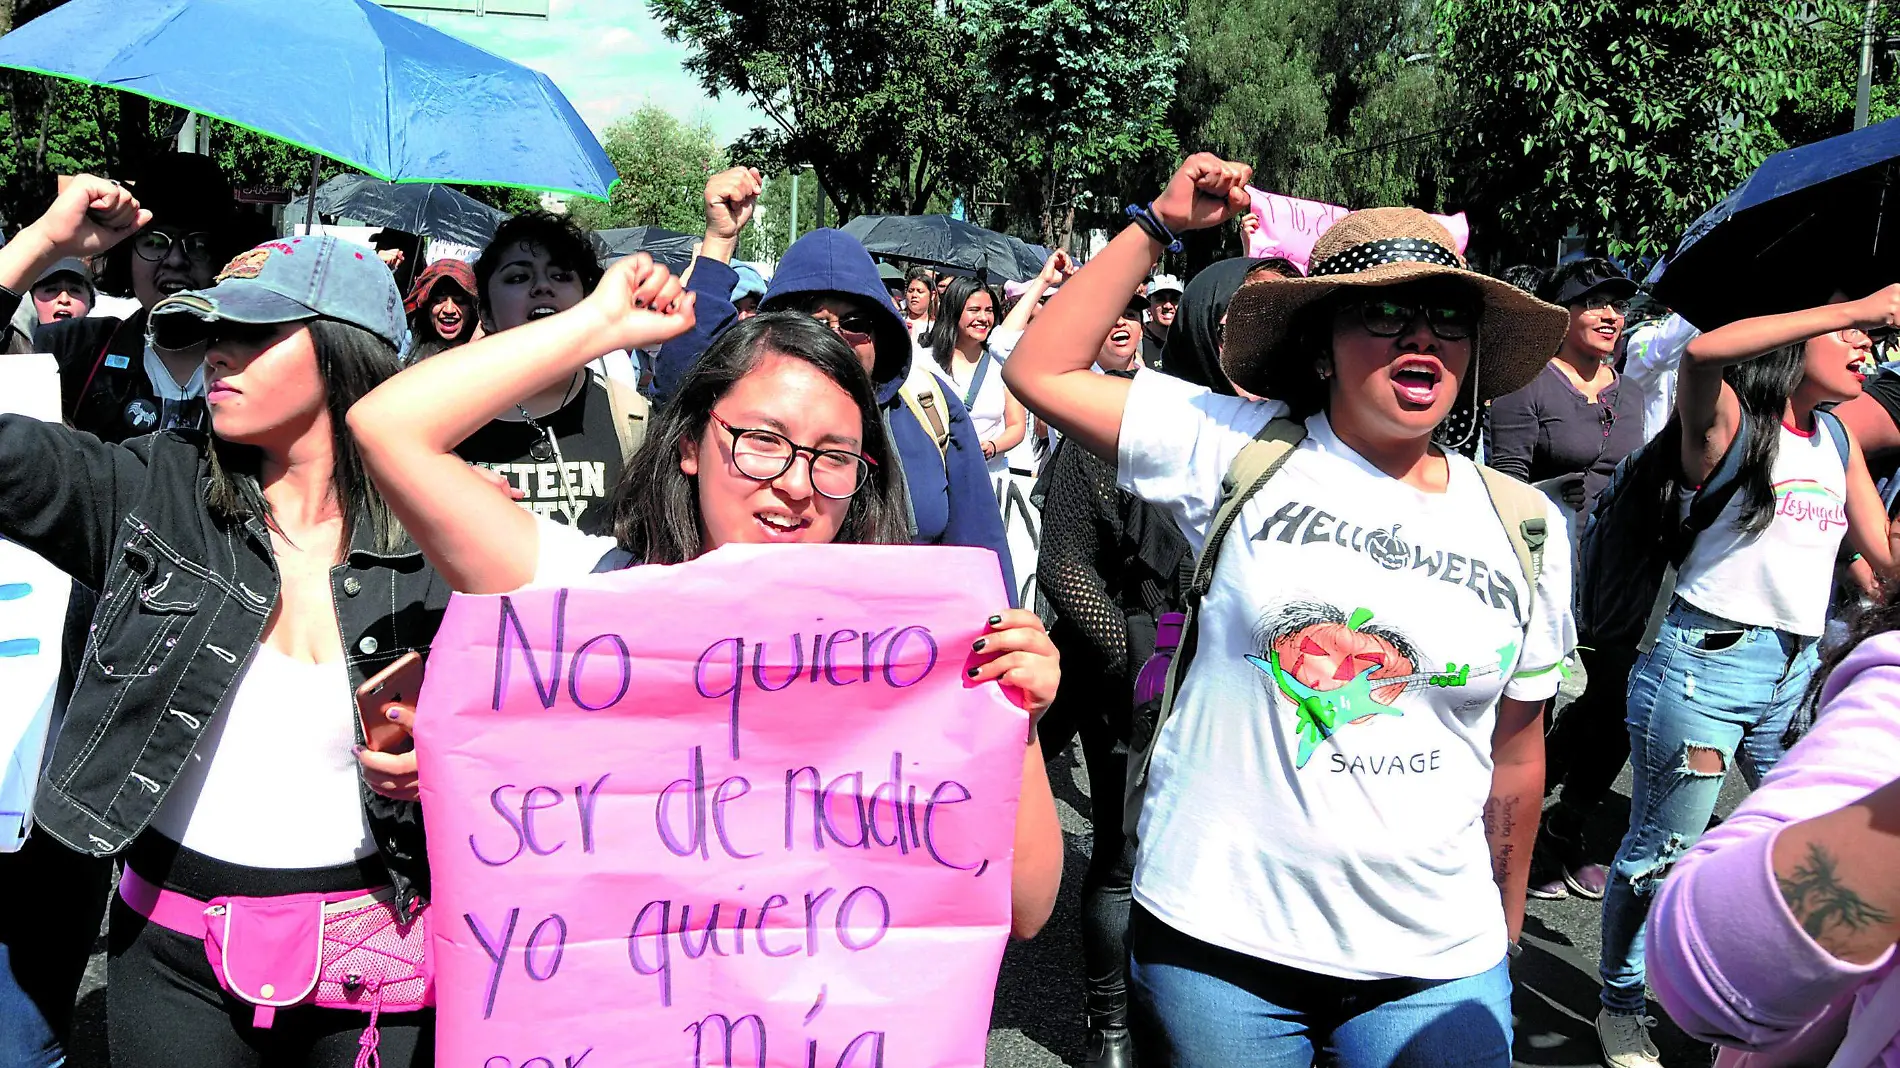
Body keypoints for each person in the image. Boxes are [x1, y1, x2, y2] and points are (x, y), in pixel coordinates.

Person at [1004, 154, 1575, 1068]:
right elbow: (1040, 366)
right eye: (1383, 312)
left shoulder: (1527, 525)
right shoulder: (1235, 447)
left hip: (1435, 964)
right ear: (1321, 342)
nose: (1417, 337)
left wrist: (1502, 936)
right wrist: (1158, 222)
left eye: (1446, 318)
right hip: (1219, 949)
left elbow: (1517, 750)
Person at [345, 253, 1064, 942]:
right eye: (761, 440)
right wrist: (596, 327)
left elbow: (1024, 905)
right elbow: (387, 429)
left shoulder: (905, 663)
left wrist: (1019, 721)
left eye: (833, 455)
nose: (794, 481)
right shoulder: (594, 595)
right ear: (689, 444)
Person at [0, 177, 444, 1067]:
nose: (216, 355)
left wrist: (439, 766)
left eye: (253, 332)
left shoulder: (445, 537)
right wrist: (41, 245)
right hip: (172, 958)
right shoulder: (148, 492)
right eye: (209, 332)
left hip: (379, 957)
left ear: (347, 350)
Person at [1593, 288, 1900, 1068]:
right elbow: (1702, 354)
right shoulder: (1730, 423)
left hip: (1793, 676)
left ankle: (1774, 1013)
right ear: (1797, 344)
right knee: (1660, 848)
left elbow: (1883, 568)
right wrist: (1849, 305)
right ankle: (1620, 1004)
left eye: (1865, 335)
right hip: (1705, 668)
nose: (1864, 346)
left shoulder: (1836, 440)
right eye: (1849, 335)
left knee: (1799, 840)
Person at [1645, 598, 1900, 1067]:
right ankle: (1620, 1002)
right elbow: (1712, 971)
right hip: (1713, 651)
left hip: (1791, 655)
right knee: (1660, 851)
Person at [1034, 286, 1187, 1068]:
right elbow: (1062, 564)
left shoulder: (1280, 435)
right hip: (1127, 667)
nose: (1125, 320)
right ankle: (1110, 1023)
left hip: (1235, 684)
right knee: (1124, 851)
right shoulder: (1110, 431)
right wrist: (1140, 669)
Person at [32, 151, 243, 443]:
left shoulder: (259, 365)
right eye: (155, 242)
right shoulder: (77, 349)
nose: (175, 261)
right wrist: (46, 239)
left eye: (197, 244)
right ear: (126, 253)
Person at [462, 211, 638, 533]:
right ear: (485, 314)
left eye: (560, 276)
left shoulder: (631, 418)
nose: (542, 286)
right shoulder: (441, 420)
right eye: (517, 278)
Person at [929, 276, 1027, 476]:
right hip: (938, 475)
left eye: (989, 310)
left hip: (988, 477)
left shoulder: (1002, 365)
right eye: (974, 310)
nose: (983, 318)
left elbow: (1017, 425)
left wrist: (992, 446)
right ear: (954, 311)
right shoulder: (925, 362)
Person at [3, 256, 94, 353]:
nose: (64, 300)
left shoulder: (106, 349)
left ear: (91, 302)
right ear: (32, 300)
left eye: (75, 290)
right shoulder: (8, 346)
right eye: (51, 290)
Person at [402, 257, 479, 362]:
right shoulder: (405, 347)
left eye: (459, 301)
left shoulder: (488, 351)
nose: (449, 310)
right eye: (439, 300)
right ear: (426, 305)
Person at [1142, 273, 1182, 368]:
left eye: (1174, 299)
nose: (1168, 306)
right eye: (1160, 299)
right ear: (1148, 305)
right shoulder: (1138, 345)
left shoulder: (1188, 342)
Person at [903, 266, 936, 337]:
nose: (914, 295)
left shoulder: (938, 328)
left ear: (932, 295)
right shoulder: (897, 321)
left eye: (920, 291)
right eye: (910, 291)